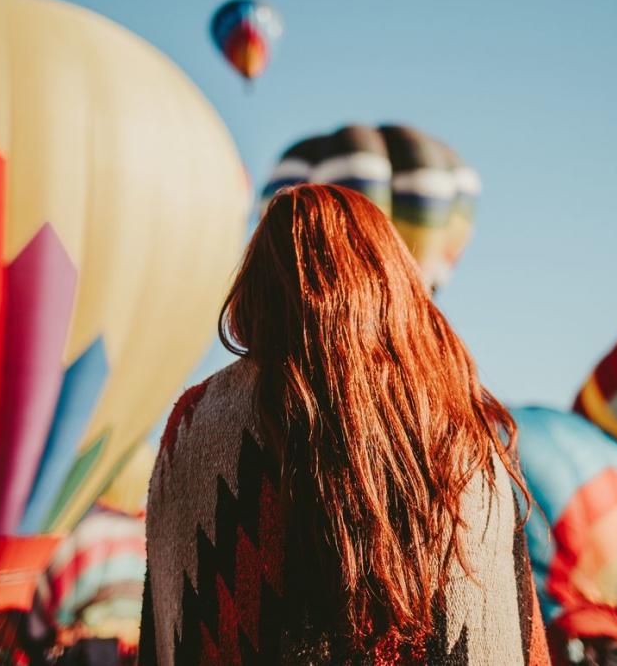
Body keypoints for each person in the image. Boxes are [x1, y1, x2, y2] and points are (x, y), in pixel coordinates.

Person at [139, 183, 548, 664]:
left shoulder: (195, 428)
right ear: (392, 278)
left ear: (258, 284)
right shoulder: (460, 433)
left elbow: (169, 619)